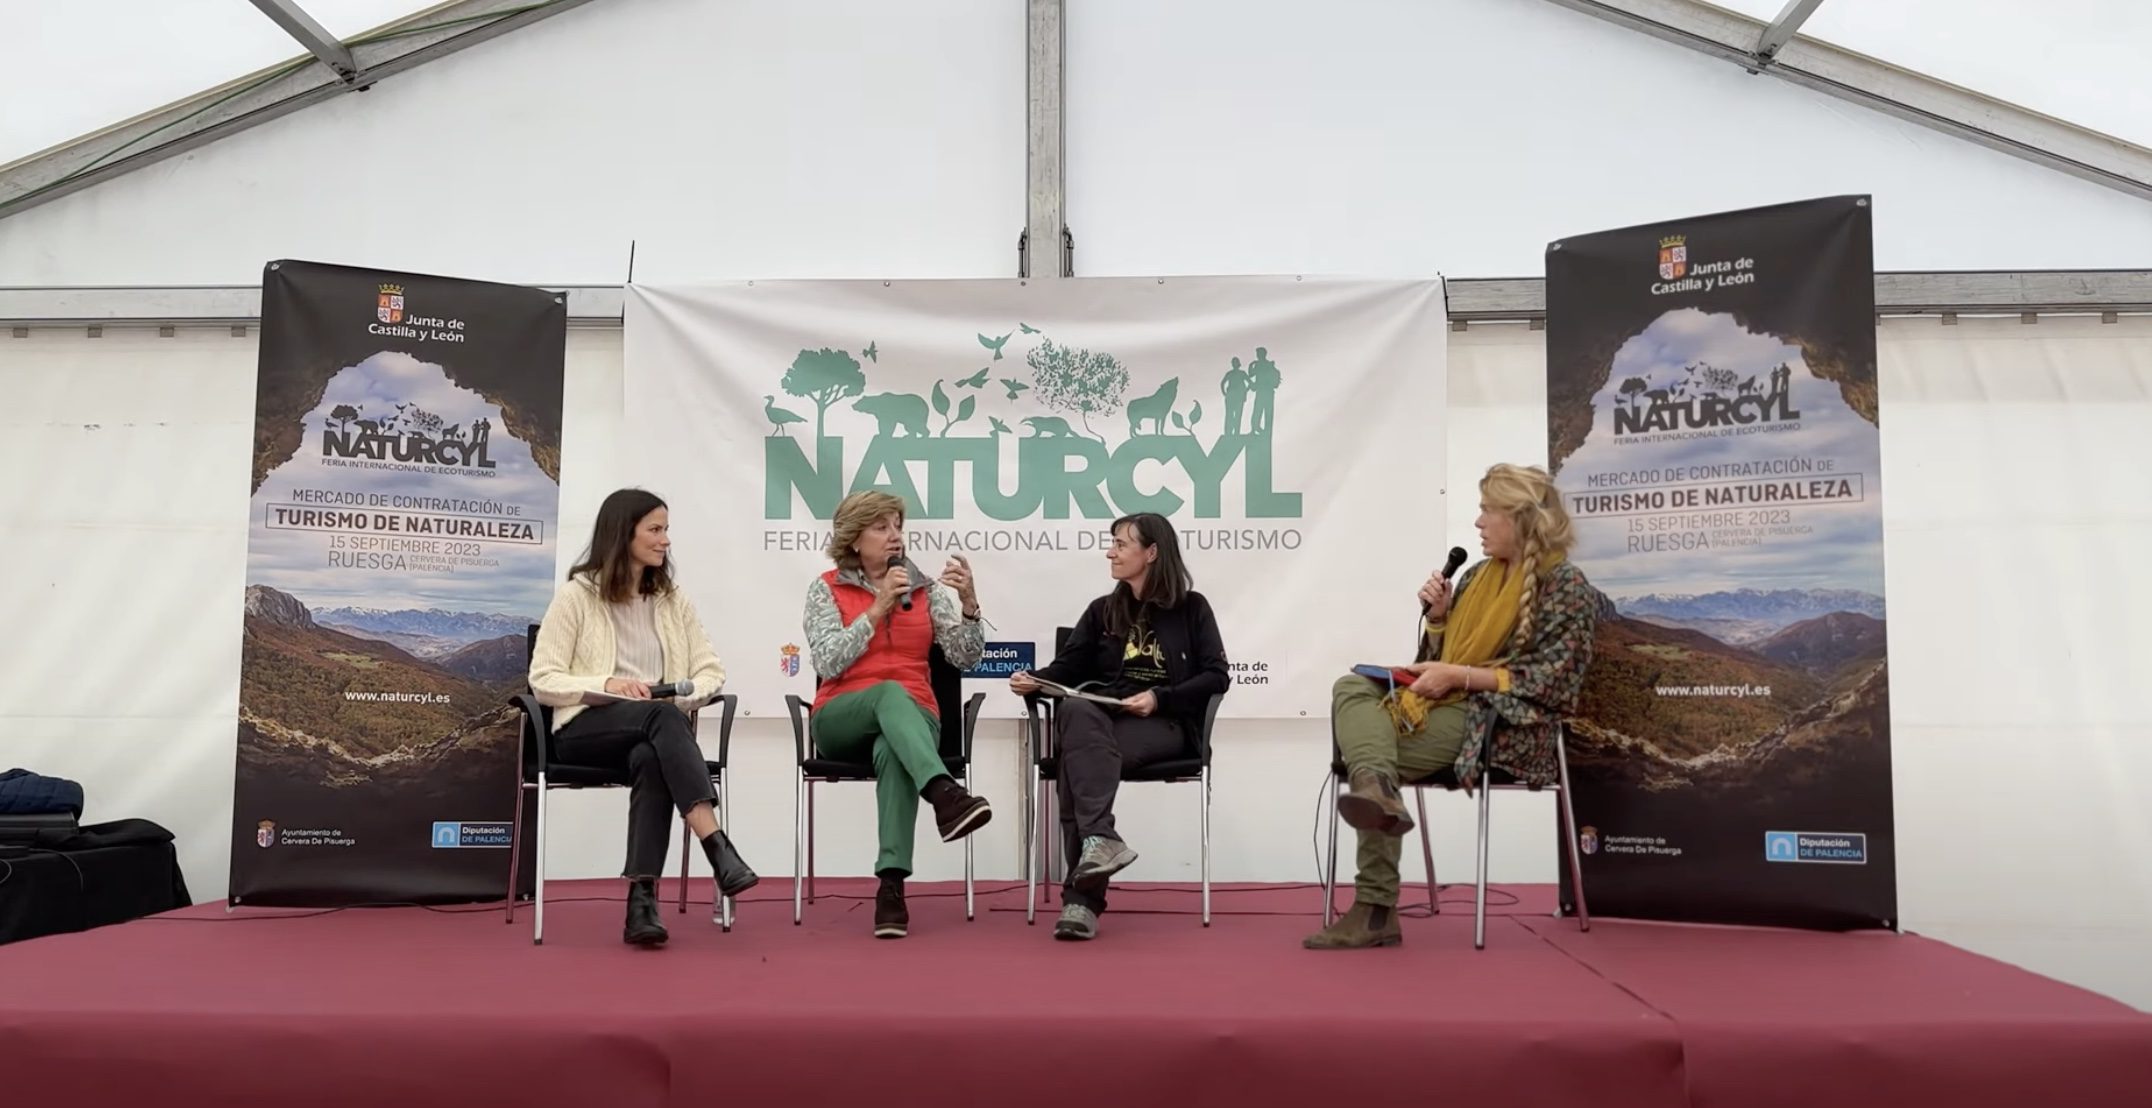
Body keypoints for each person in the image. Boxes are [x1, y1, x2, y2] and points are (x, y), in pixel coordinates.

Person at [1305, 463, 1599, 950]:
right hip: (1448, 707)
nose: (1479, 523)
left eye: (1489, 511)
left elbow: (1556, 681)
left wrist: (1461, 676)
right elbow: (1434, 668)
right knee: (1350, 687)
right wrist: (1439, 622)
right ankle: (1376, 789)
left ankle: (1376, 907)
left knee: (1374, 754)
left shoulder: (1567, 585)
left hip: (1503, 724)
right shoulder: (1477, 576)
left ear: (1523, 519)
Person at [529, 488, 758, 947]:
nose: (665, 540)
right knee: (660, 721)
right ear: (622, 534)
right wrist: (606, 683)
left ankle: (642, 904)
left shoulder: (671, 600)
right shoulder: (578, 596)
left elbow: (710, 671)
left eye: (666, 529)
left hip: (653, 731)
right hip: (583, 730)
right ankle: (717, 846)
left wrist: (684, 695)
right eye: (655, 530)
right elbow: (542, 679)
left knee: (653, 753)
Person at [1010, 512, 1229, 941]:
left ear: (1151, 553)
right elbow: (1067, 669)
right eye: (1111, 542)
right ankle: (1097, 850)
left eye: (1121, 544)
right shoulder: (1102, 611)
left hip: (1165, 726)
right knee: (1074, 713)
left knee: (1077, 762)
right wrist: (1034, 680)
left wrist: (1159, 697)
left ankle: (1082, 900)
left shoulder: (1192, 608)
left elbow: (1216, 675)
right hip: (1103, 722)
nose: (1110, 551)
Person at [802, 491, 992, 939]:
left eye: (898, 526)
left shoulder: (924, 589)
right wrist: (877, 608)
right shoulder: (826, 588)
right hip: (841, 718)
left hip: (915, 718)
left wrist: (969, 604)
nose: (895, 537)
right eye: (881, 527)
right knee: (887, 692)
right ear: (854, 538)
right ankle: (943, 792)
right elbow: (828, 662)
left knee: (894, 745)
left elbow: (965, 658)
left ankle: (891, 888)